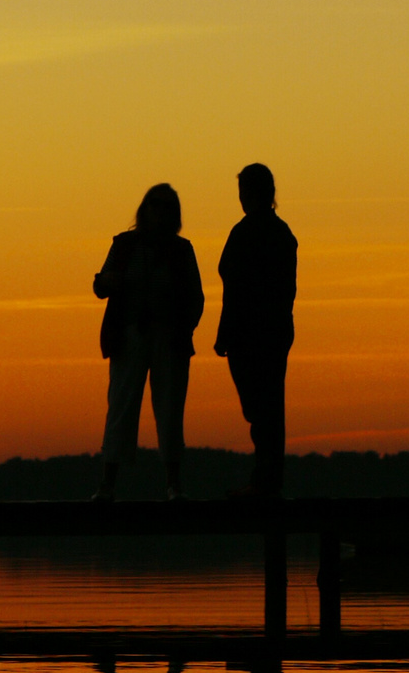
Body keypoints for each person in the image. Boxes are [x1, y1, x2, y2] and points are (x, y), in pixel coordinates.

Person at [93, 184, 205, 501]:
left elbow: (196, 297)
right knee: (121, 408)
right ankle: (107, 485)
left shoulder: (182, 250)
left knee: (170, 410)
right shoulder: (124, 245)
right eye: (155, 204)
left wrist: (183, 329)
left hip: (169, 337)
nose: (160, 210)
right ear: (145, 208)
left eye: (167, 206)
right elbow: (101, 285)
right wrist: (108, 281)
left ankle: (173, 484)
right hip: (129, 335)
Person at [214, 164, 299, 498]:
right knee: (264, 407)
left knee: (262, 408)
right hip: (269, 331)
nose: (243, 199)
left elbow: (237, 289)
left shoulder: (255, 233)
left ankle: (266, 481)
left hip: (256, 333)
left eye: (246, 192)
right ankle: (267, 478)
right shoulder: (277, 233)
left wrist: (227, 332)